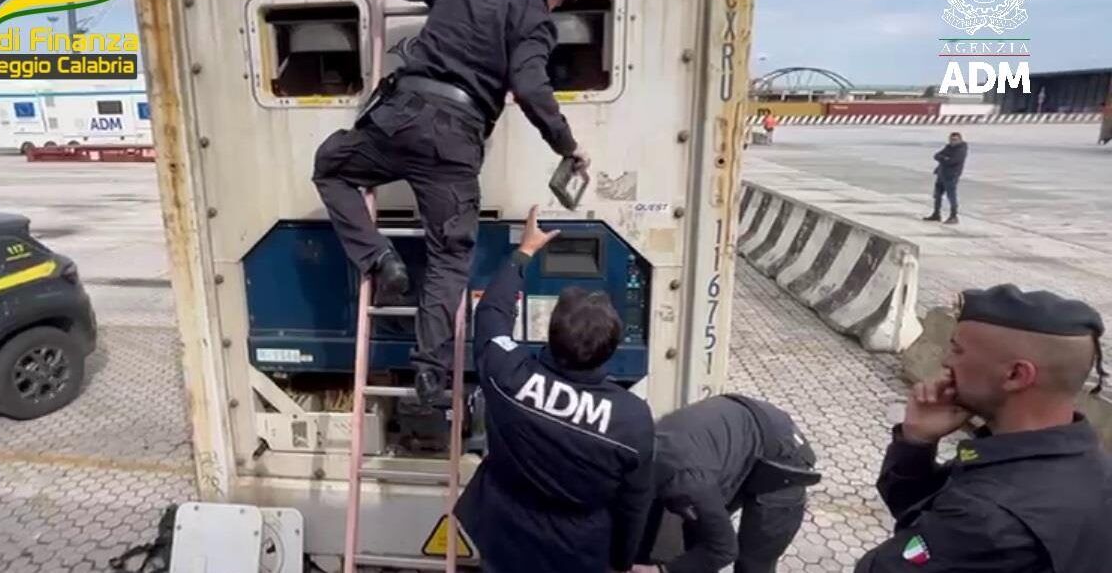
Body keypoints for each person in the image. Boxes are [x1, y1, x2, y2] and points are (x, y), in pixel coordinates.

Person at [311, 0, 590, 405]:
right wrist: (568, 144)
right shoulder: (535, 18)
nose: (554, 6)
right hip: (455, 143)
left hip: (399, 119)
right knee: (449, 255)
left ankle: (379, 258)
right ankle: (428, 369)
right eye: (559, 0)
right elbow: (529, 87)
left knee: (331, 167)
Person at [454, 206, 655, 573]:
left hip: (505, 534)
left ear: (551, 334)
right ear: (610, 349)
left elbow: (491, 314)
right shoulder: (632, 420)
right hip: (578, 549)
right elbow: (634, 503)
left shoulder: (507, 373)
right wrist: (624, 561)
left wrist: (523, 252)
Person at [856, 284, 1111, 572]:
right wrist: (916, 442)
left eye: (957, 349)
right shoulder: (1081, 462)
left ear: (1016, 375)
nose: (946, 361)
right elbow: (922, 509)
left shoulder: (987, 517)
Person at [632, 395, 819, 573]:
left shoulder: (688, 483)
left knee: (754, 560)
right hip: (733, 433)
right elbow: (643, 515)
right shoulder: (638, 456)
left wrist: (661, 570)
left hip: (783, 457)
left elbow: (724, 550)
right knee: (698, 535)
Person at [922, 132, 967, 225]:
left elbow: (953, 161)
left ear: (960, 140)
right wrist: (944, 158)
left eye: (955, 140)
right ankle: (936, 214)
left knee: (951, 196)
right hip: (941, 174)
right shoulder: (948, 147)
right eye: (951, 139)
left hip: (951, 176)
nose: (952, 141)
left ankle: (953, 216)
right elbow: (936, 155)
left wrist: (943, 159)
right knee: (937, 195)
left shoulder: (961, 150)